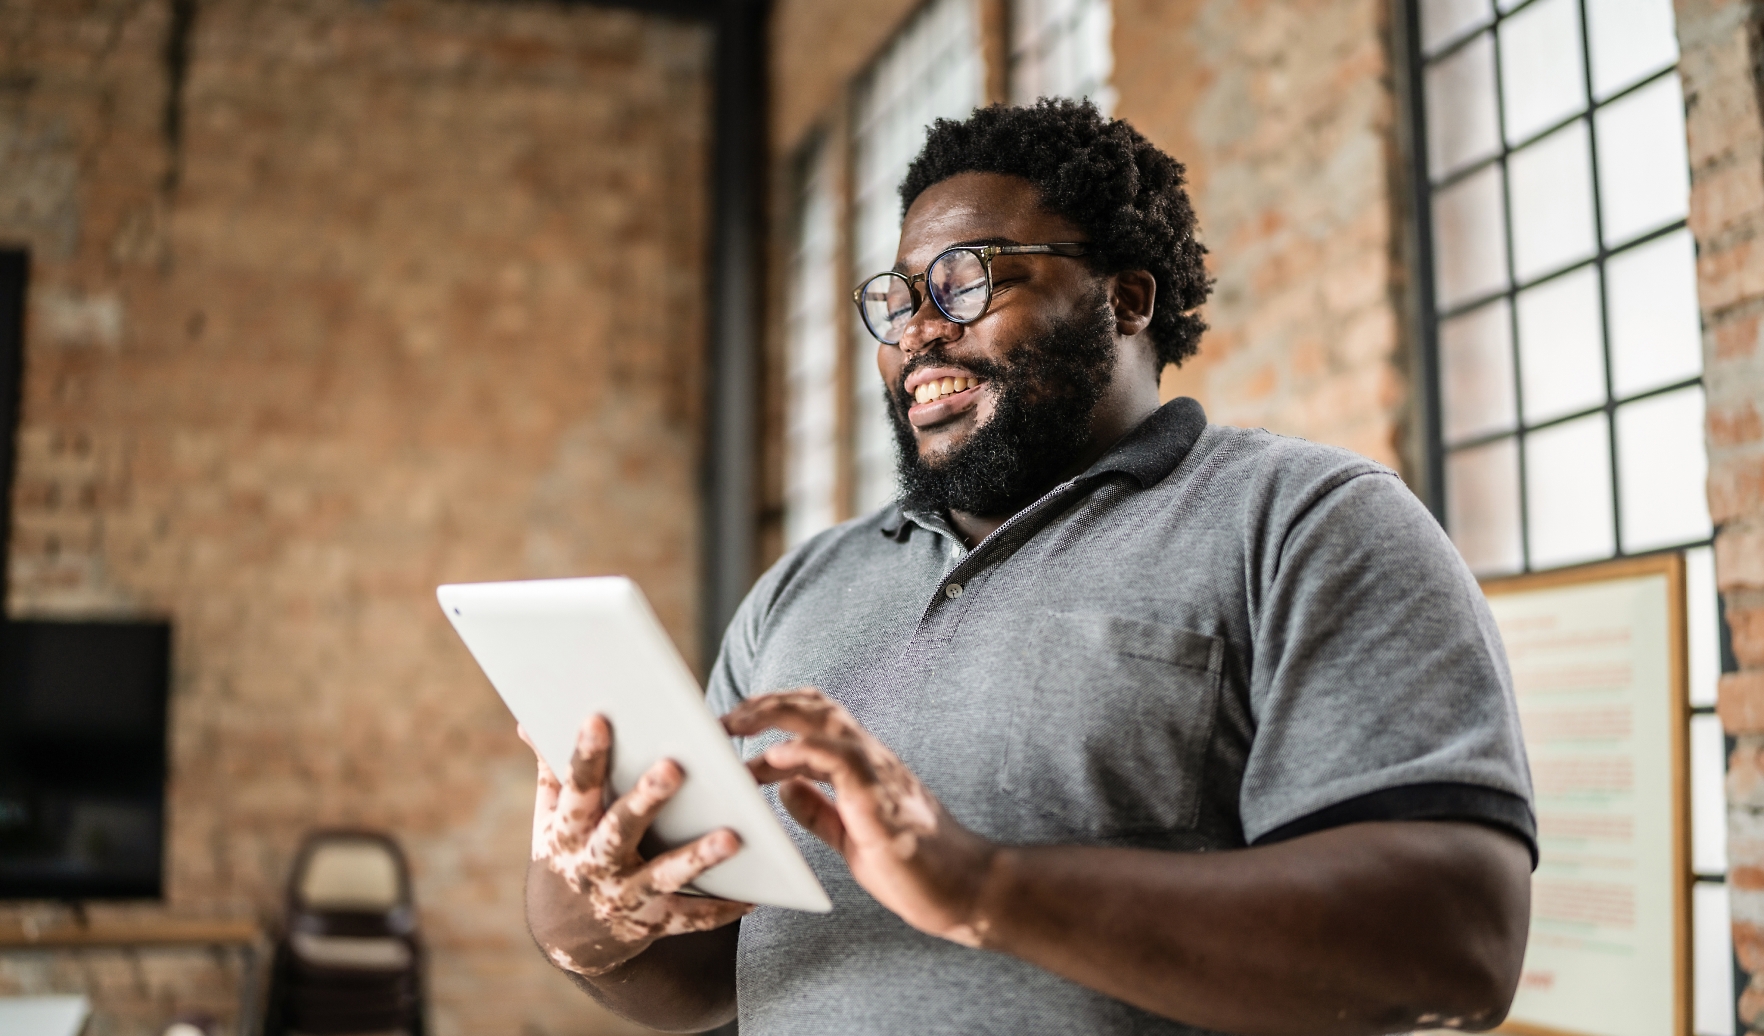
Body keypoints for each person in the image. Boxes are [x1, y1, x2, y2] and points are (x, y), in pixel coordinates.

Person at [521, 99, 1535, 1036]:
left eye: (967, 278)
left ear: (1126, 299)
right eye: (897, 298)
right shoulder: (799, 588)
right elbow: (708, 980)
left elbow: (1458, 941)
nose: (917, 328)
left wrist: (983, 886)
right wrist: (590, 916)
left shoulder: (1303, 521)